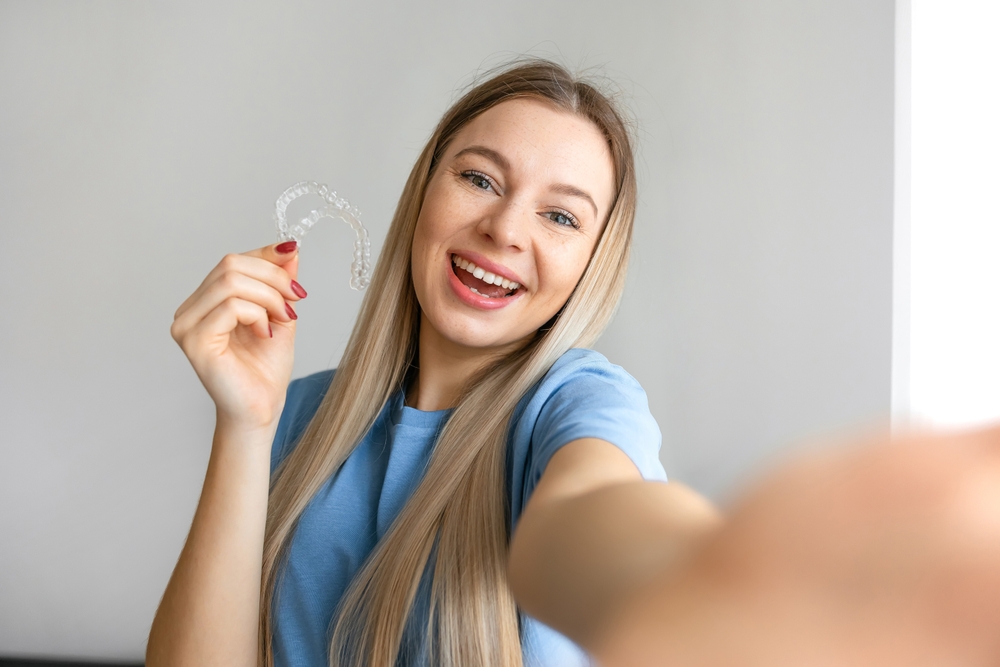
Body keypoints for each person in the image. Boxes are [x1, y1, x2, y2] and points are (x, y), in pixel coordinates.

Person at [148, 58, 1000, 667]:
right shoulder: (297, 415)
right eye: (480, 180)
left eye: (562, 218)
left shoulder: (579, 402)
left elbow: (589, 520)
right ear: (425, 193)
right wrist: (243, 419)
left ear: (591, 262)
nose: (507, 230)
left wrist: (724, 578)